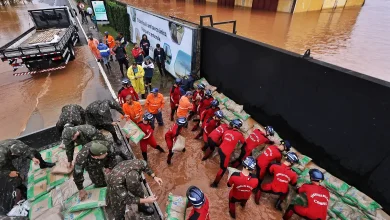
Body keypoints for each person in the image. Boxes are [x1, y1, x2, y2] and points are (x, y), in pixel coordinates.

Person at [210, 119, 245, 188]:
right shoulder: (239, 135)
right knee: (223, 169)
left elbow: (223, 139)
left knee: (222, 163)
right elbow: (243, 142)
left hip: (220, 149)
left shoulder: (227, 131)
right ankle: (214, 184)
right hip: (226, 153)